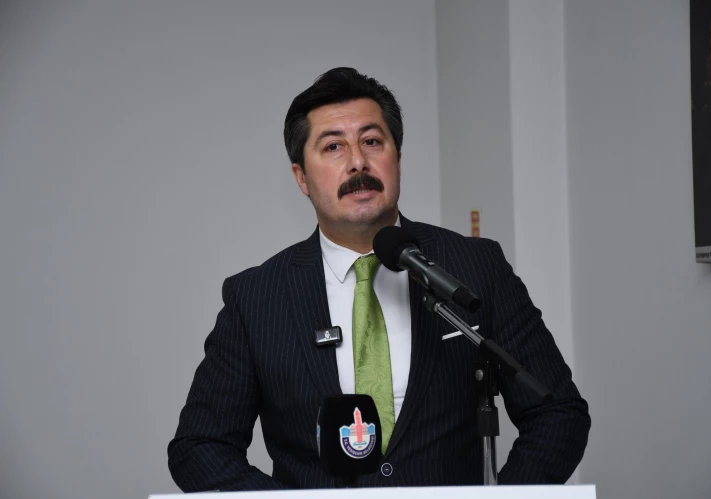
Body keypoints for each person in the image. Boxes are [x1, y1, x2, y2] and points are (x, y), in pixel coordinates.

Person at [167, 67, 590, 491]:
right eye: (333, 146)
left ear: (397, 159)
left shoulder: (474, 266)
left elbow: (557, 412)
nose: (357, 162)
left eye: (371, 141)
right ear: (301, 178)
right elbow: (199, 447)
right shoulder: (257, 297)